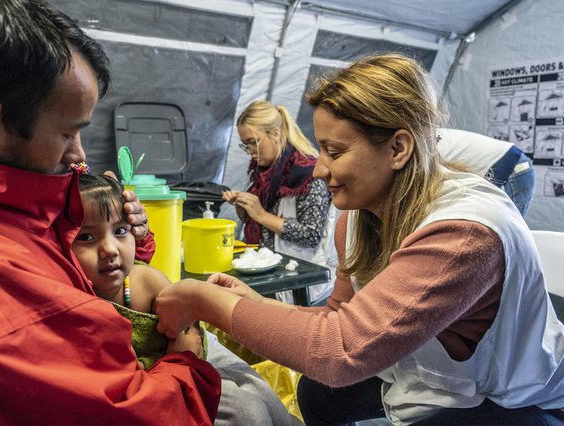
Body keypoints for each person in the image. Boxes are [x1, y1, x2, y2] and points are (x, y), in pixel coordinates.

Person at [154, 53, 564, 425]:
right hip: (439, 379)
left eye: (335, 151)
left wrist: (208, 302)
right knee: (319, 393)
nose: (319, 170)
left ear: (398, 148)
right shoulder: (356, 218)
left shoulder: (464, 236)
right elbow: (340, 318)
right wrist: (254, 304)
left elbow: (340, 351)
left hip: (507, 398)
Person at [0, 0, 221, 424]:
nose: (79, 154)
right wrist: (189, 356)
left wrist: (135, 238)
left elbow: (61, 260)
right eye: (67, 133)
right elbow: (144, 415)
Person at [73, 172, 292, 426]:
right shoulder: (80, 311)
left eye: (120, 231)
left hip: (197, 352)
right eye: (87, 237)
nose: (110, 249)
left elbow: (188, 332)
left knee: (272, 405)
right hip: (162, 377)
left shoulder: (147, 280)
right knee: (250, 415)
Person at [223, 100, 336, 304]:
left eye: (252, 141)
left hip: (300, 281)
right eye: (244, 144)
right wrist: (243, 207)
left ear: (275, 134)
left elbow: (310, 234)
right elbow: (253, 221)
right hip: (271, 274)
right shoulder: (264, 171)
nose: (248, 150)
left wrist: (261, 215)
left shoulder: (308, 174)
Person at [438, 127, 534, 216]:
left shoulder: (429, 145)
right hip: (509, 163)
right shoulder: (432, 136)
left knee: (509, 225)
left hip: (514, 166)